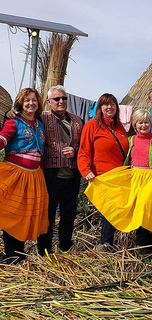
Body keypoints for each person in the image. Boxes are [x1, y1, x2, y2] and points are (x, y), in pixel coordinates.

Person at [84, 109, 152, 249]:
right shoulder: (131, 140)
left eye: (146, 122)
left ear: (151, 123)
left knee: (144, 210)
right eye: (140, 122)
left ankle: (143, 244)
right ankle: (106, 242)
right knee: (118, 206)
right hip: (134, 178)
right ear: (135, 125)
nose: (143, 125)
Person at [0, 88, 49, 263]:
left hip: (34, 176)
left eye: (34, 100)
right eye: (27, 100)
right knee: (12, 213)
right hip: (15, 175)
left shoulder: (39, 124)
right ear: (20, 103)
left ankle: (19, 255)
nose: (31, 103)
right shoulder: (13, 122)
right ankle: (12, 255)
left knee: (25, 215)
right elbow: (3, 139)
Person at [36, 85, 84, 255]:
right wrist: (9, 114)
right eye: (57, 99)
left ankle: (65, 247)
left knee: (68, 213)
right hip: (51, 175)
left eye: (64, 98)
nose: (61, 101)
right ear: (49, 102)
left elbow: (84, 146)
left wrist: (76, 152)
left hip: (72, 175)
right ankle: (44, 250)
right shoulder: (42, 117)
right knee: (47, 215)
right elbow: (21, 118)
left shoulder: (78, 120)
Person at [78, 93, 129, 251]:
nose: (109, 107)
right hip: (101, 176)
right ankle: (104, 243)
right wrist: (86, 170)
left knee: (114, 210)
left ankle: (108, 243)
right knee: (110, 210)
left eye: (113, 104)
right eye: (105, 104)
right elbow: (83, 151)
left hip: (119, 177)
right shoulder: (92, 126)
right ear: (99, 108)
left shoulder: (120, 127)